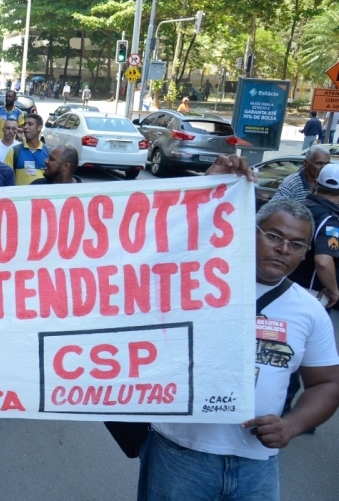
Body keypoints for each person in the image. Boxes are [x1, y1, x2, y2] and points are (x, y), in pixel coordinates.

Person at [138, 198, 339, 501]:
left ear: (305, 254)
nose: (284, 249)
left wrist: (291, 425)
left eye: (297, 244)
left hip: (257, 465)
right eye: (274, 236)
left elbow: (328, 383)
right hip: (180, 454)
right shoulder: (191, 281)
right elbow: (158, 245)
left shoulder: (310, 311)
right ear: (249, 231)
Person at [3, 113, 48, 185]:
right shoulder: (14, 151)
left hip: (42, 196)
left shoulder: (49, 152)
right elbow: (5, 177)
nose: (25, 127)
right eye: (25, 124)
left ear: (39, 127)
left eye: (30, 124)